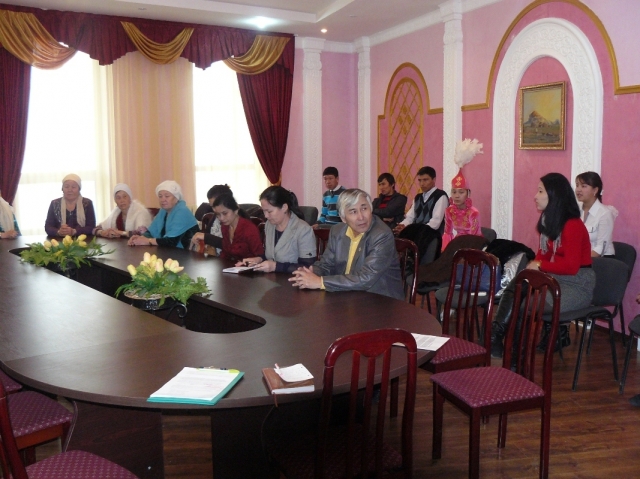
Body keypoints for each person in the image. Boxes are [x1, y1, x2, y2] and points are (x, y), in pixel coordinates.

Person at [490, 173, 596, 358]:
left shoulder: (572, 225)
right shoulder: (549, 220)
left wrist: (539, 266)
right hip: (556, 278)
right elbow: (543, 255)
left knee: (525, 305)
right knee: (520, 283)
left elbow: (571, 267)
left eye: (540, 191)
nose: (535, 196)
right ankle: (496, 338)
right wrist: (534, 269)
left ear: (554, 196)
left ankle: (514, 356)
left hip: (577, 284)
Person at [289, 188, 404, 300]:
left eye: (364, 208)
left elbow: (366, 278)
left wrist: (320, 282)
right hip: (347, 296)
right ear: (343, 218)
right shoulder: (337, 231)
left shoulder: (381, 235)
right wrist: (311, 272)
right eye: (353, 211)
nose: (361, 217)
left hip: (380, 301)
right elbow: (326, 265)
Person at [238, 186, 316, 273]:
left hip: (294, 279)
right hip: (271, 278)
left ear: (284, 207)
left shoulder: (303, 230)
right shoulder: (269, 225)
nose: (266, 216)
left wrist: (276, 266)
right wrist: (259, 259)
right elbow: (272, 255)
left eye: (269, 211)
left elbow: (307, 267)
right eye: (264, 211)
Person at [128, 180, 198, 249]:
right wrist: (139, 238)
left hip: (187, 254)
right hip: (169, 251)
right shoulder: (163, 211)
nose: (163, 199)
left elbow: (171, 241)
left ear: (176, 198)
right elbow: (151, 232)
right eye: (160, 196)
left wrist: (147, 241)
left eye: (167, 196)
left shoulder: (182, 212)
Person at [441, 140, 483, 250]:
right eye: (454, 192)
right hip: (457, 243)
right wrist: (445, 251)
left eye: (461, 192)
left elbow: (474, 238)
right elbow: (447, 233)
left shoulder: (473, 213)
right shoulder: (449, 211)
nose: (457, 196)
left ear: (468, 193)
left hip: (473, 245)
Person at [211, 193, 264, 261]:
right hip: (231, 265)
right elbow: (225, 253)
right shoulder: (224, 227)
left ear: (236, 210)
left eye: (225, 213)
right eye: (218, 214)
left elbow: (259, 256)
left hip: (249, 266)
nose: (221, 218)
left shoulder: (249, 229)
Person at [575, 171, 617, 257]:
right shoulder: (575, 210)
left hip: (601, 260)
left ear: (595, 190)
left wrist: (580, 261)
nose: (578, 189)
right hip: (582, 258)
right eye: (577, 185)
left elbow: (601, 248)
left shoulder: (605, 213)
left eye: (583, 186)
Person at [190, 184, 233, 253]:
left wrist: (206, 237)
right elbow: (207, 234)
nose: (214, 210)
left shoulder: (237, 219)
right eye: (212, 206)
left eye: (215, 205)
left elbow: (232, 245)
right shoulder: (215, 216)